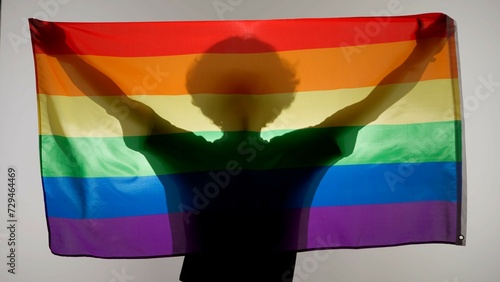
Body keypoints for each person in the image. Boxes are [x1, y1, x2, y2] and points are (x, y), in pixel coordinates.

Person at [32, 15, 449, 281]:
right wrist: (423, 53)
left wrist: (64, 52)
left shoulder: (191, 153)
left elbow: (118, 103)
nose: (242, 94)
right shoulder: (297, 152)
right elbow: (119, 102)